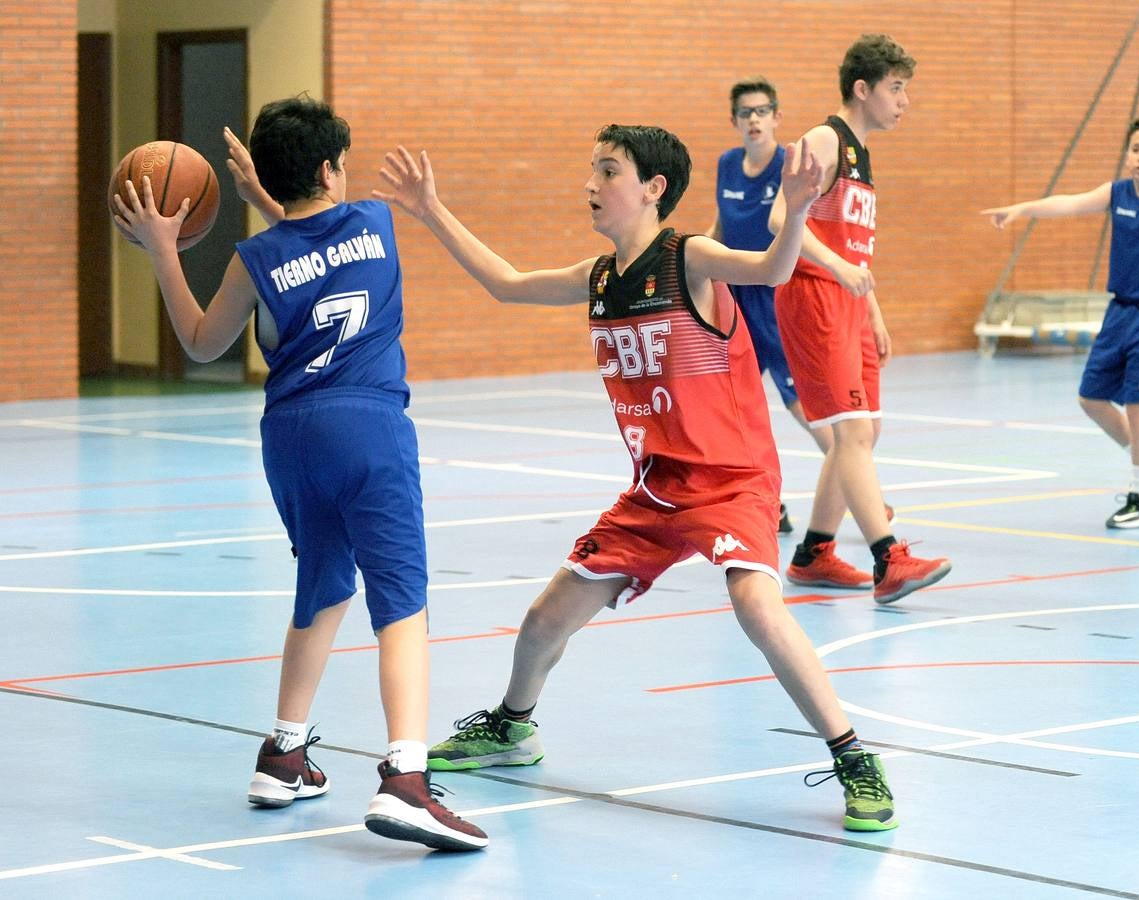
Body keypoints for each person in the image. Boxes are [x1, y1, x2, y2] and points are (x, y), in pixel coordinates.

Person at [373, 124, 898, 832]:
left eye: (608, 170)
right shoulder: (596, 278)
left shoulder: (692, 259)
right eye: (591, 169)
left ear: (652, 189)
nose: (591, 183)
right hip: (655, 488)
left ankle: (853, 758)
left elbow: (773, 270)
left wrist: (799, 206)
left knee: (758, 607)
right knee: (542, 620)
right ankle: (512, 726)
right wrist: (431, 209)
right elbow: (506, 284)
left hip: (733, 480)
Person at [112, 96, 488, 851]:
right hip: (369, 428)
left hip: (289, 438)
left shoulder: (255, 261)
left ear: (274, 180)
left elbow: (200, 341)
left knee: (322, 584)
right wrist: (269, 196)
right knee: (402, 600)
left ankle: (283, 754)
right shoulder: (377, 221)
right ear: (329, 167)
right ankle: (407, 780)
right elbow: (324, 226)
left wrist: (162, 249)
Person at [767, 34, 951, 603]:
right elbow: (780, 219)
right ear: (862, 89)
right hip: (813, 295)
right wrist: (839, 272)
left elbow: (850, 245)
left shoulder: (862, 156)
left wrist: (872, 307)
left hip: (846, 300)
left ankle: (814, 552)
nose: (904, 100)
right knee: (849, 431)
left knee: (865, 430)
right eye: (896, 89)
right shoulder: (825, 139)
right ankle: (888, 558)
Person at [981, 116, 1139, 529]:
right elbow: (1067, 203)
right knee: (1091, 398)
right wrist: (1022, 209)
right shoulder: (1117, 194)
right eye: (1136, 149)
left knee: (1138, 403)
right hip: (1121, 312)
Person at [707, 76, 897, 537]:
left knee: (812, 410)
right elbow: (721, 226)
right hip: (734, 296)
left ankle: (860, 490)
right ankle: (760, 503)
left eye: (762, 110)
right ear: (734, 121)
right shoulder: (728, 165)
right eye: (745, 112)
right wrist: (694, 262)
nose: (754, 119)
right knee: (732, 409)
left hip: (782, 296)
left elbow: (834, 236)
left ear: (776, 117)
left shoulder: (793, 164)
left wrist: (870, 304)